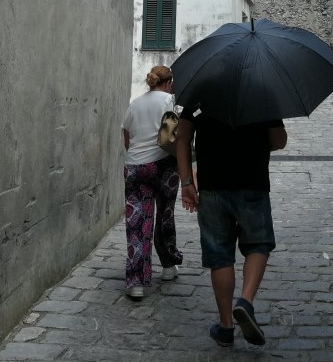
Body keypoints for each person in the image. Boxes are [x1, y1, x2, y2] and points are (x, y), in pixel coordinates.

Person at [176, 105, 288, 347]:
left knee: (219, 254)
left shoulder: (200, 92)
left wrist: (186, 182)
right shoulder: (261, 91)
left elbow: (182, 137)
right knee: (259, 244)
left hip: (212, 186)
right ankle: (245, 302)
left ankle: (226, 326)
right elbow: (279, 141)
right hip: (253, 183)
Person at [121, 65, 184, 300]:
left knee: (136, 221)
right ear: (168, 83)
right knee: (164, 216)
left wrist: (138, 159)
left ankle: (135, 282)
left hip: (135, 166)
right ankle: (168, 266)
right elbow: (171, 136)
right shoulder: (169, 100)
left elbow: (126, 137)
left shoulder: (135, 103)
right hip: (163, 166)